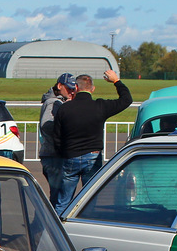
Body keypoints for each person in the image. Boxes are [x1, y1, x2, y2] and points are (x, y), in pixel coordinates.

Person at [52, 70, 132, 214]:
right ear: (92, 89)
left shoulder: (64, 108)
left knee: (63, 202)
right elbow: (126, 100)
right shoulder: (100, 106)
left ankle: (57, 231)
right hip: (93, 156)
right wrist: (116, 81)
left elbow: (57, 137)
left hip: (70, 156)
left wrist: (64, 153)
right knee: (90, 200)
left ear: (76, 88)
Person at [38, 73, 76, 207]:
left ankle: (42, 223)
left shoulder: (58, 102)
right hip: (52, 154)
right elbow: (47, 125)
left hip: (52, 154)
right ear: (60, 86)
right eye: (69, 88)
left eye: (73, 89)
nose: (71, 92)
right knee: (57, 196)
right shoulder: (54, 103)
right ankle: (44, 225)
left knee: (56, 195)